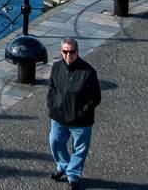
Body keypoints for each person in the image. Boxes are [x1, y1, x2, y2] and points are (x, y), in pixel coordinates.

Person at [47, 37, 101, 190]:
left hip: (80, 121)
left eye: (71, 52)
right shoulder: (56, 67)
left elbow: (95, 98)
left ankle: (73, 175)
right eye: (65, 51)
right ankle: (64, 166)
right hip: (58, 117)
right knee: (55, 142)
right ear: (61, 51)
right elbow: (51, 88)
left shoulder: (88, 72)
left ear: (77, 52)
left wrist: (81, 113)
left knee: (79, 149)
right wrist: (51, 106)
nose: (68, 55)